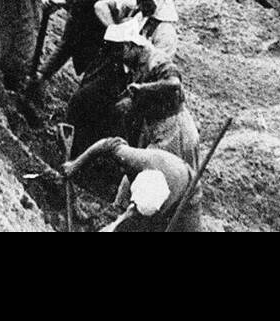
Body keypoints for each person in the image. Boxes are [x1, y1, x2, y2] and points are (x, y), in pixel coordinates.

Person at [108, 17, 200, 169]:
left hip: (173, 129)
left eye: (119, 49)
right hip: (154, 129)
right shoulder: (135, 66)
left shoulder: (156, 58)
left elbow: (174, 83)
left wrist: (143, 89)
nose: (118, 56)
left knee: (169, 179)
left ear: (130, 45)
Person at [62, 137, 202, 232]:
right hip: (164, 166)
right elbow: (106, 144)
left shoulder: (163, 201)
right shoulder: (134, 159)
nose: (133, 210)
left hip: (189, 190)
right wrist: (75, 165)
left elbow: (134, 216)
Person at [36, 0, 125, 86]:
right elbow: (67, 43)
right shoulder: (76, 3)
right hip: (95, 63)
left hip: (115, 59)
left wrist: (65, 0)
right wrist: (43, 73)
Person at [94, 0, 179, 59]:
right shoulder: (135, 5)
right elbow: (100, 6)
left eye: (145, 2)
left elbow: (158, 63)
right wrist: (114, 29)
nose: (140, 5)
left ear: (157, 1)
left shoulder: (165, 32)